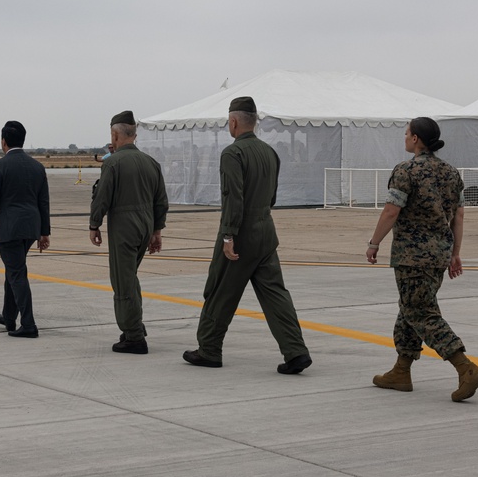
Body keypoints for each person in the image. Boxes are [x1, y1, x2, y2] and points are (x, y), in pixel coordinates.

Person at [183, 96, 311, 374]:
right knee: (275, 294)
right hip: (266, 230)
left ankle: (209, 349)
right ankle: (296, 351)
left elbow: (233, 197)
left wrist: (229, 235)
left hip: (241, 232)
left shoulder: (233, 153)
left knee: (220, 291)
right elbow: (272, 195)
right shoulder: (270, 153)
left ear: (233, 121)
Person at [366, 117, 478, 402]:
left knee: (420, 312)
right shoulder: (451, 172)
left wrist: (374, 243)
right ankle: (401, 370)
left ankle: (465, 367)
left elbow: (391, 211)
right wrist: (455, 253)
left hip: (411, 256)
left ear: (417, 139)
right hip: (439, 255)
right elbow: (458, 216)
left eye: (407, 134)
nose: (405, 138)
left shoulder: (406, 170)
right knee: (410, 308)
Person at [89, 110, 168, 354]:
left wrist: (94, 224)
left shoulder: (112, 163)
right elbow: (161, 201)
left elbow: (102, 197)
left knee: (123, 283)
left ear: (115, 134)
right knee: (130, 278)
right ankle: (133, 326)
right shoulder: (150, 162)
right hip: (145, 226)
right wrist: (156, 231)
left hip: (124, 227)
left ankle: (134, 336)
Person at [0, 121, 51, 339]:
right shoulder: (37, 167)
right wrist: (45, 232)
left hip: (10, 228)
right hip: (31, 228)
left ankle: (28, 324)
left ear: (3, 142)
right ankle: (8, 316)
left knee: (16, 273)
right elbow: (43, 202)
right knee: (13, 269)